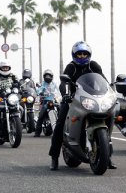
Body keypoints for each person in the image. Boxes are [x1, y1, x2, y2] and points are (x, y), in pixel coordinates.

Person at [48, 41, 116, 170]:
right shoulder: (71, 67)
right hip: (73, 99)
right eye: (79, 54)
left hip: (93, 98)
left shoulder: (94, 65)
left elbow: (104, 81)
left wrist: (111, 91)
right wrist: (65, 94)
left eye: (85, 54)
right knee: (60, 125)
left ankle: (107, 157)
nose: (82, 56)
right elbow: (64, 82)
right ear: (74, 55)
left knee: (108, 119)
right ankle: (54, 157)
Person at [34, 69, 60, 137]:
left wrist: (60, 94)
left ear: (52, 76)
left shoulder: (54, 84)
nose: (48, 77)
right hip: (46, 101)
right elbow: (39, 90)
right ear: (44, 76)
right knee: (41, 116)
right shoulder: (43, 84)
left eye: (49, 76)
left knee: (61, 111)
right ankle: (37, 132)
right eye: (46, 76)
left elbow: (58, 91)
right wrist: (40, 92)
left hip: (54, 101)